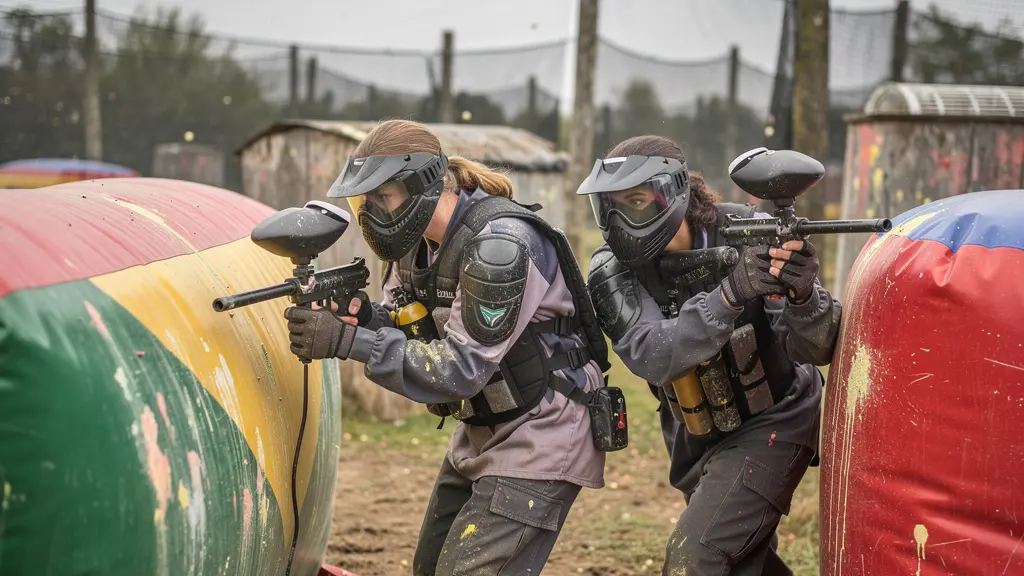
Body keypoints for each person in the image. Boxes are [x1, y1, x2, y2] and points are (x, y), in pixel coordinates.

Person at [283, 119, 612, 576]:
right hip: (483, 428)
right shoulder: (413, 248)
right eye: (366, 200)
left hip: (543, 432)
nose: (371, 212)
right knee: (430, 567)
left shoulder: (501, 247)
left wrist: (345, 340)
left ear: (422, 184)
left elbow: (459, 368)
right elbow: (413, 327)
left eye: (382, 196)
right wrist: (362, 317)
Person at [579, 135, 841, 575]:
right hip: (696, 431)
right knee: (740, 561)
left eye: (636, 200)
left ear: (674, 192)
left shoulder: (747, 235)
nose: (621, 218)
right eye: (609, 205)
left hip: (775, 418)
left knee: (695, 557)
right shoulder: (612, 270)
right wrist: (730, 295)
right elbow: (652, 354)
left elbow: (815, 348)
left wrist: (802, 296)